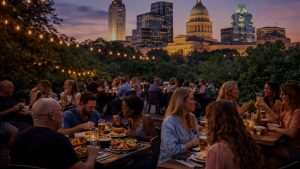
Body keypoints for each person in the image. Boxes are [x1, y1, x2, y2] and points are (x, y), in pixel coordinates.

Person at [10, 98, 98, 169]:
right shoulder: (58, 139)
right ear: (52, 115)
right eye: (60, 110)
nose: (63, 114)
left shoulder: (18, 137)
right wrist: (92, 155)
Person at [205, 100, 265, 169]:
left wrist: (211, 156)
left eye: (208, 116)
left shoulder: (216, 151)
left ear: (214, 121)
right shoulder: (246, 140)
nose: (206, 120)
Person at [158, 88, 199, 163]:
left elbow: (197, 139)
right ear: (182, 102)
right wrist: (191, 143)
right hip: (169, 163)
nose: (195, 102)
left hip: (187, 159)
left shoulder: (191, 117)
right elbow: (172, 151)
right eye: (192, 99)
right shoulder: (169, 122)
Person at [266, 84, 300, 168]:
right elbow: (277, 122)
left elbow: (292, 133)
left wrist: (273, 128)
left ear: (291, 95)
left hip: (297, 149)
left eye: (283, 94)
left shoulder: (297, 112)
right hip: (288, 145)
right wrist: (278, 111)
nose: (280, 96)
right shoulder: (288, 110)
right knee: (270, 161)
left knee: (265, 149)